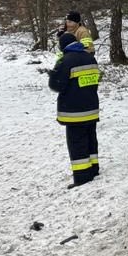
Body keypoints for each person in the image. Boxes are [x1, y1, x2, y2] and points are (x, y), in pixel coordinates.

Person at [48, 31, 101, 187]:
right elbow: (96, 79)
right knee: (91, 140)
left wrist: (53, 74)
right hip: (91, 108)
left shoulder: (66, 61)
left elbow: (56, 86)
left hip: (74, 112)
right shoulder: (90, 58)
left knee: (77, 144)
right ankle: (93, 169)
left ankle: (82, 176)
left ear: (63, 46)